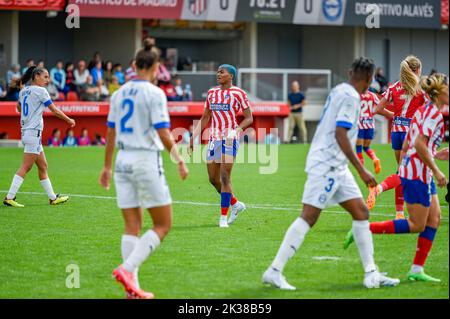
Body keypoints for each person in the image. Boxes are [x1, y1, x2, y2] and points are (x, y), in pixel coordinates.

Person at [262, 57, 400, 290]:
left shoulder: (339, 89)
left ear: (349, 72)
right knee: (309, 216)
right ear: (368, 79)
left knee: (361, 212)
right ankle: (274, 271)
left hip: (336, 166)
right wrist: (362, 169)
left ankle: (371, 273)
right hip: (327, 165)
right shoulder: (351, 97)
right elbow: (340, 134)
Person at [99, 42, 188, 299]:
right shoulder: (155, 94)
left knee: (131, 226)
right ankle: (127, 270)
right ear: (156, 67)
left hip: (122, 161)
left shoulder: (118, 93)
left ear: (135, 66)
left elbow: (110, 133)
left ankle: (132, 290)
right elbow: (162, 132)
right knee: (163, 223)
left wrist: (106, 166)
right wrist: (179, 159)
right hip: (145, 159)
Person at [344, 73, 449, 283]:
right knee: (417, 224)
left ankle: (416, 270)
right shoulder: (433, 114)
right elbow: (419, 144)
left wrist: (437, 154)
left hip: (420, 170)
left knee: (434, 219)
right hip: (418, 173)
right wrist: (437, 170)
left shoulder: (426, 110)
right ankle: (364, 229)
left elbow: (413, 143)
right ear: (441, 92)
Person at [190, 64, 253, 228]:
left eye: (222, 72)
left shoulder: (239, 93)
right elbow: (205, 117)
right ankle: (236, 204)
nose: (218, 74)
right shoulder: (212, 93)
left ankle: (223, 218)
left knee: (225, 176)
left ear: (231, 76)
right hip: (213, 139)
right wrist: (193, 137)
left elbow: (249, 118)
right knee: (213, 179)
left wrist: (237, 130)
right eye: (218, 72)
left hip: (230, 138)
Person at [3, 66, 75, 208]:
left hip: (27, 133)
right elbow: (54, 110)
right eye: (45, 77)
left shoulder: (23, 91)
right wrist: (68, 120)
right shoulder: (41, 91)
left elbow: (18, 108)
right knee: (25, 167)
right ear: (36, 76)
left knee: (43, 166)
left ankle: (52, 198)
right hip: (33, 133)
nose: (48, 80)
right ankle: (9, 197)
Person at [367, 56, 428, 220]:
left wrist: (394, 115)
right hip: (411, 134)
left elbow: (378, 108)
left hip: (396, 133)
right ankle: (378, 189)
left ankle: (400, 213)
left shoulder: (394, 87)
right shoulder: (420, 88)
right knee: (406, 172)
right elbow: (430, 109)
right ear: (416, 70)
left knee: (401, 171)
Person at [356, 90, 381, 173]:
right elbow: (380, 106)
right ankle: (375, 158)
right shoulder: (372, 95)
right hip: (370, 124)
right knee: (366, 147)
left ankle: (361, 168)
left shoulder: (357, 95)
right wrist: (372, 113)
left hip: (360, 123)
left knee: (358, 148)